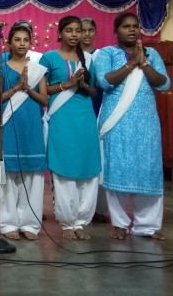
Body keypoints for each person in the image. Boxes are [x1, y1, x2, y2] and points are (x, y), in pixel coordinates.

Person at [95, 12, 170, 241]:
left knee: (148, 170)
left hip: (146, 123)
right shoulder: (107, 53)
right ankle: (119, 223)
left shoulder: (152, 54)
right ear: (115, 31)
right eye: (126, 26)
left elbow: (164, 83)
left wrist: (143, 63)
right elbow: (104, 81)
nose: (132, 30)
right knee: (116, 169)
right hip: (116, 122)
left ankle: (147, 226)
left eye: (135, 26)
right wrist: (130, 64)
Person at [40, 15, 101, 240]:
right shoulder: (48, 58)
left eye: (79, 30)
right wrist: (68, 84)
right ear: (60, 33)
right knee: (64, 167)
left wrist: (83, 84)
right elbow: (42, 90)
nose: (75, 35)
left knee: (87, 167)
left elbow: (94, 91)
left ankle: (81, 221)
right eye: (70, 30)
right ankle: (67, 223)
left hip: (85, 117)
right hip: (61, 118)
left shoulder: (88, 59)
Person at [0, 25, 48, 241]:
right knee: (8, 177)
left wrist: (28, 89)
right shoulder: (1, 66)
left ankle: (30, 224)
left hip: (32, 126)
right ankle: (8, 223)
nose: (22, 43)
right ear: (9, 43)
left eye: (26, 39)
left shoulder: (37, 69)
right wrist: (17, 87)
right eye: (17, 39)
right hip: (9, 124)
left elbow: (45, 100)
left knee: (32, 177)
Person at [80, 17, 109, 223]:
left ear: (95, 32)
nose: (87, 34)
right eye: (82, 30)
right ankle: (79, 208)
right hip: (76, 114)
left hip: (100, 111)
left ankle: (98, 209)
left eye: (91, 30)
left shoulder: (102, 56)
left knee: (100, 161)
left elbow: (103, 85)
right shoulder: (71, 56)